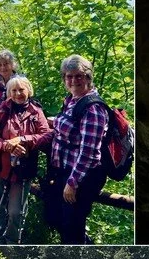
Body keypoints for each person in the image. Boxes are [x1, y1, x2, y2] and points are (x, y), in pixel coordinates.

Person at [45, 54, 110, 245]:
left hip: (81, 177)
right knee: (58, 220)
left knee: (71, 229)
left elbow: (89, 151)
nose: (73, 80)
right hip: (64, 171)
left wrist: (72, 183)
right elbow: (69, 124)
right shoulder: (72, 101)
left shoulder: (93, 109)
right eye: (69, 76)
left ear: (88, 77)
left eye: (78, 76)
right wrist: (53, 121)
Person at [0, 76, 51, 244]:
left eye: (21, 89)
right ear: (9, 93)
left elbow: (47, 136)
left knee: (16, 212)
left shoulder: (36, 112)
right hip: (0, 167)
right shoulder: (0, 110)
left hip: (23, 171)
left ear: (29, 90)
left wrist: (23, 140)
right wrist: (7, 146)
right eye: (14, 90)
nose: (18, 93)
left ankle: (12, 244)